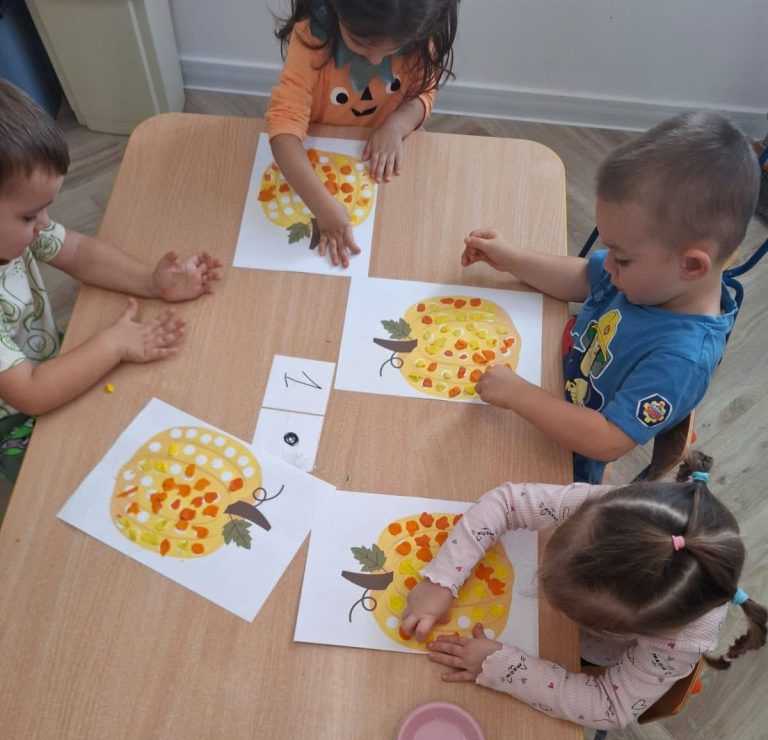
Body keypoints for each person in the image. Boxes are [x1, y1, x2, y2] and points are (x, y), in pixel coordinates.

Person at [461, 111, 761, 483]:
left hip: (557, 466)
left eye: (621, 258)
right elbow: (582, 277)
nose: (609, 266)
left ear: (692, 266)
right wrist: (511, 259)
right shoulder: (655, 279)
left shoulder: (680, 362)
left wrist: (519, 396)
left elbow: (607, 440)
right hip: (537, 390)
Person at [398, 451, 766, 730]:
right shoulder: (616, 510)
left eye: (560, 600)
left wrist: (501, 665)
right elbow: (506, 502)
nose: (539, 588)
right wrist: (441, 580)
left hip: (583, 656)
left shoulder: (678, 641)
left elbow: (610, 707)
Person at [0, 78, 222, 483]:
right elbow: (30, 394)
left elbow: (77, 252)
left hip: (33, 358)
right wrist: (113, 343)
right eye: (30, 216)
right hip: (10, 417)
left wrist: (150, 282)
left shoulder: (19, 232)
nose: (45, 223)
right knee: (65, 480)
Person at [267, 0, 458, 267]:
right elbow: (283, 125)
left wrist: (396, 126)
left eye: (392, 48)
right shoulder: (311, 36)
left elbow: (425, 92)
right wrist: (322, 206)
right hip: (316, 157)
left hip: (388, 162)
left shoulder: (418, 28)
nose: (376, 59)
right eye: (360, 43)